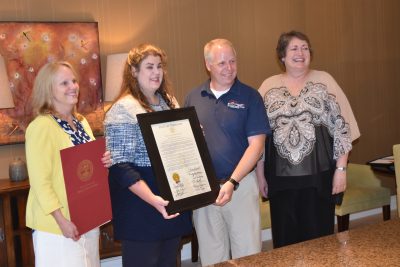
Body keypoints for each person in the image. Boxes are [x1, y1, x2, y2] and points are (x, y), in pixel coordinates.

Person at [257, 30, 361, 248]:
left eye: (305, 48)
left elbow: (343, 128)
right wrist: (260, 175)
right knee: (285, 243)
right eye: (294, 48)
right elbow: (259, 138)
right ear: (282, 56)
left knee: (319, 240)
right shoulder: (267, 87)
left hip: (319, 179)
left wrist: (341, 171)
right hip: (280, 181)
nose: (300, 52)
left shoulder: (325, 81)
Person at [104, 44, 192, 267]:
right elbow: (120, 165)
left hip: (171, 196)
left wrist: (192, 135)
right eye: (149, 67)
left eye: (159, 66)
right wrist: (152, 199)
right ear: (134, 72)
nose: (156, 73)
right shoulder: (123, 108)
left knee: (169, 262)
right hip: (141, 206)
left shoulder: (169, 102)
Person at [185, 38, 270, 266]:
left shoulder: (250, 97)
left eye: (232, 61)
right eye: (222, 63)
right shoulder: (193, 98)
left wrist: (232, 182)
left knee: (248, 255)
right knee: (212, 257)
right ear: (208, 65)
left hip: (240, 187)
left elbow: (257, 146)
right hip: (205, 191)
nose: (229, 68)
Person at [25, 61, 111, 267]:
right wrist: (61, 221)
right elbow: (40, 182)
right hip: (58, 227)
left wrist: (104, 163)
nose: (73, 86)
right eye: (64, 83)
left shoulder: (82, 122)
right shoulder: (41, 127)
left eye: (73, 81)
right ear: (48, 89)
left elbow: (87, 169)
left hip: (87, 220)